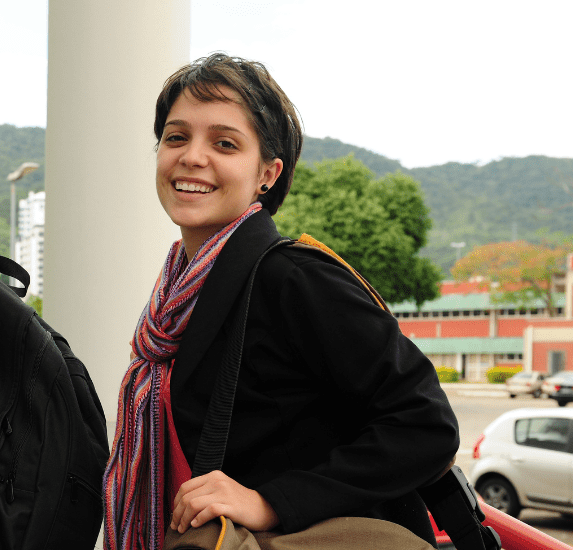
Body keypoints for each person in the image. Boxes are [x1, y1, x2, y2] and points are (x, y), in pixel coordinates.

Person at [102, 53, 459, 550]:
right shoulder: (176, 299)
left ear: (267, 173)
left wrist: (270, 501)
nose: (191, 156)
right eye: (176, 137)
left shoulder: (295, 279)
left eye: (224, 143)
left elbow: (425, 425)